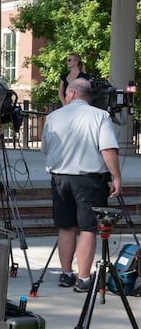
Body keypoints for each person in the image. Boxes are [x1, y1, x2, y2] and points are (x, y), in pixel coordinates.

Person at [42, 78, 121, 293]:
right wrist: (116, 177)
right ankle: (83, 278)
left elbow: (46, 148)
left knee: (66, 226)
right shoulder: (100, 116)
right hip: (89, 179)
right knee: (88, 228)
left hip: (59, 178)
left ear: (72, 94)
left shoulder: (53, 117)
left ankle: (66, 274)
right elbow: (108, 150)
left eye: (66, 94)